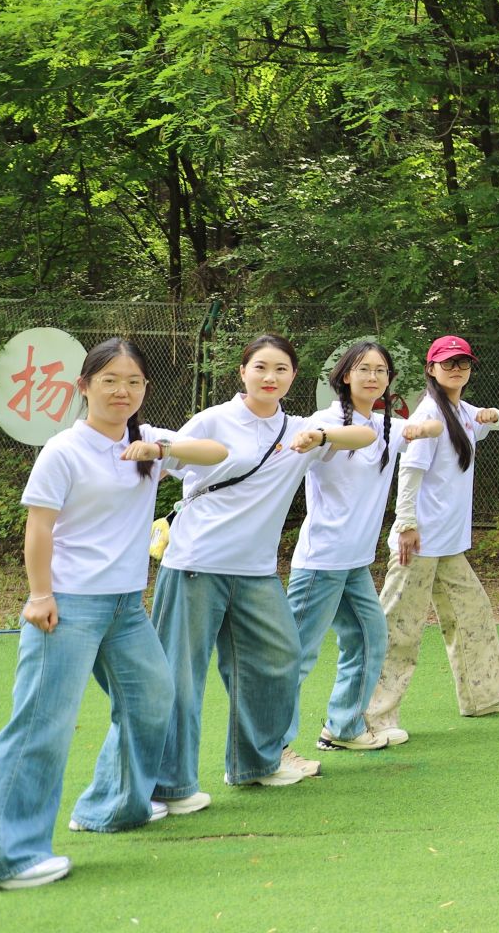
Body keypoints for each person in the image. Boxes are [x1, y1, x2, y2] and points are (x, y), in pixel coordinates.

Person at [0, 339, 227, 895]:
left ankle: (111, 807)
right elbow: (39, 528)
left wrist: (160, 448)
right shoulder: (64, 449)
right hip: (69, 604)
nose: (122, 391)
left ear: (145, 388)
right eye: (109, 380)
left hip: (126, 606)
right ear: (83, 387)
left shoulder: (146, 441)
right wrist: (39, 595)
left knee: (152, 699)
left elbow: (217, 453)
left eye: (133, 381)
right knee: (41, 723)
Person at [149, 334, 377, 799]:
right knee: (180, 676)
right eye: (260, 367)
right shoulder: (214, 420)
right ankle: (170, 785)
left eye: (281, 369)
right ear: (243, 372)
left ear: (294, 376)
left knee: (278, 659)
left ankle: (254, 763)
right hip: (196, 563)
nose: (270, 377)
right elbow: (167, 463)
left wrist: (321, 437)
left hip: (255, 571)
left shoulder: (301, 429)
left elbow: (366, 434)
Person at [290, 341, 439, 755]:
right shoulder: (324, 422)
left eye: (380, 371)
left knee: (370, 638)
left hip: (356, 563)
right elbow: (323, 441)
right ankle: (270, 748)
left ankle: (344, 726)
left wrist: (422, 429)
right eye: (364, 369)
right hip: (321, 560)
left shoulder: (385, 424)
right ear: (344, 376)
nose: (373, 377)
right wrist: (319, 437)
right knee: (294, 654)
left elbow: (434, 428)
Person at [367, 335, 499, 734]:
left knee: (473, 614)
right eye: (448, 362)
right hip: (419, 543)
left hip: (448, 546)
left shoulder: (461, 411)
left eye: (463, 362)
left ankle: (485, 698)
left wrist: (492, 415)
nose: (456, 369)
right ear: (431, 369)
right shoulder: (429, 414)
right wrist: (406, 524)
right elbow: (409, 471)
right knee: (399, 629)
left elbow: (497, 421)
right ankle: (371, 717)